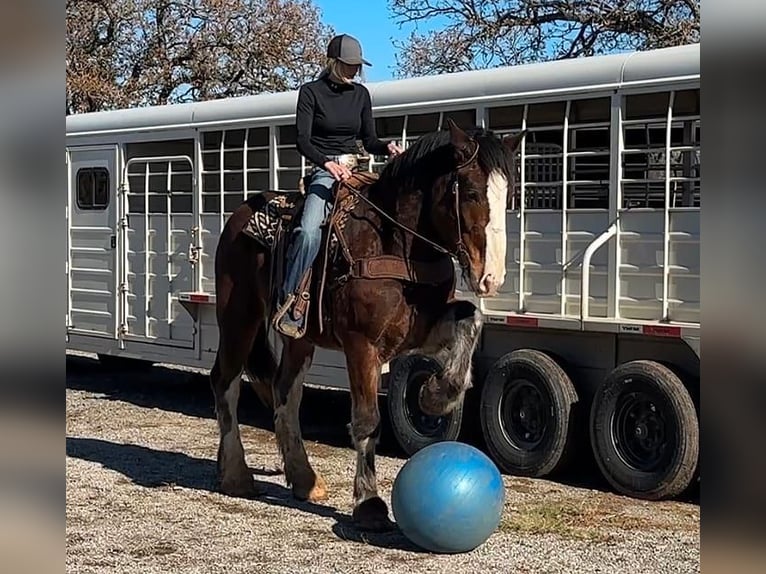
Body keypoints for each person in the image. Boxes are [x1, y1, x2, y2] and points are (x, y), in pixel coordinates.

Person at [274, 34, 403, 338]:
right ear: (333, 62)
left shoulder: (361, 95)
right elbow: (302, 140)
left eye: (357, 66)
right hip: (325, 169)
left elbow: (369, 141)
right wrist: (327, 164)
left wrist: (388, 148)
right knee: (307, 230)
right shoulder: (310, 93)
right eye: (349, 66)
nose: (355, 71)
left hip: (357, 168)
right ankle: (290, 298)